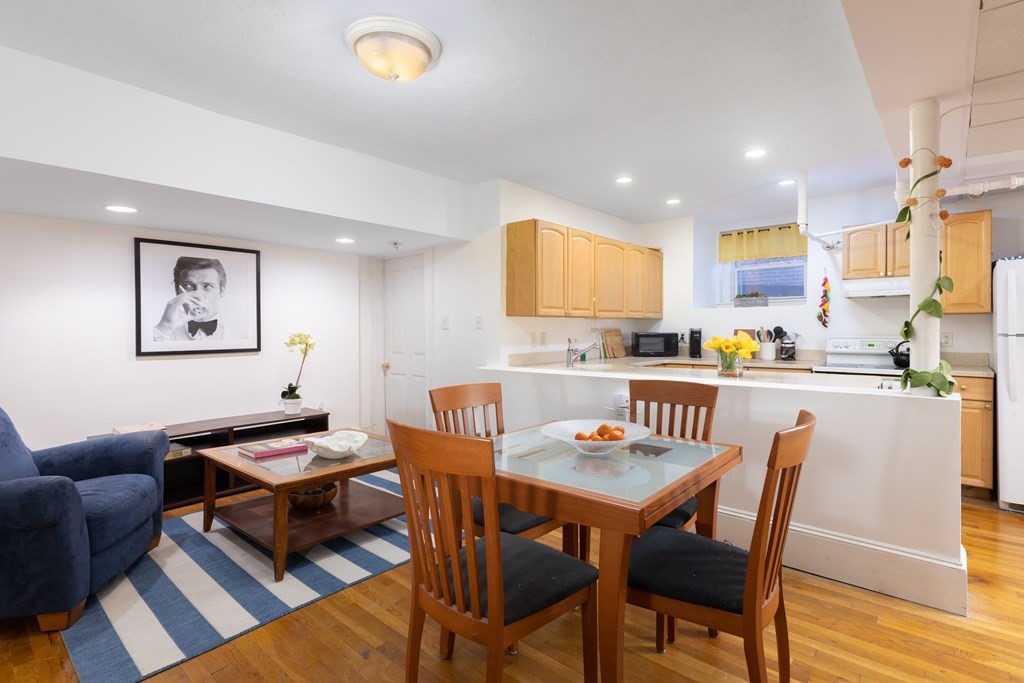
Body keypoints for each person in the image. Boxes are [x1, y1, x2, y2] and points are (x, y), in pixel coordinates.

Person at [152, 256, 228, 341]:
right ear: (177, 291)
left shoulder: (241, 333)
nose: (198, 295)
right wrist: (164, 327)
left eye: (207, 286)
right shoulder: (160, 333)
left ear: (221, 291)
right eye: (188, 286)